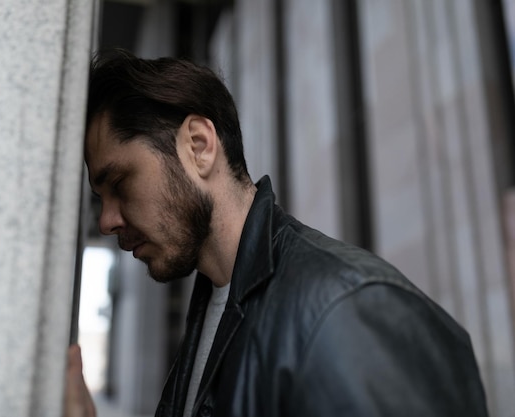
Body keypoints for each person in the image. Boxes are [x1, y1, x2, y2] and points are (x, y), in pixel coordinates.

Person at [65, 49, 489, 417]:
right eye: (100, 199)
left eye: (119, 183)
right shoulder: (215, 303)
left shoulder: (346, 309)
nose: (106, 221)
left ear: (198, 145)